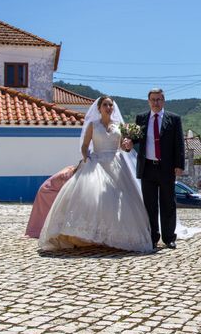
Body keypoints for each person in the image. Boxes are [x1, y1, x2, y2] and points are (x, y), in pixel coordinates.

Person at [38, 96, 152, 252]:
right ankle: (90, 234)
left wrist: (126, 145)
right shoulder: (93, 125)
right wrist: (86, 157)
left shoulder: (119, 126)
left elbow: (122, 147)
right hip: (96, 163)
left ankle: (113, 235)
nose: (108, 107)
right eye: (105, 105)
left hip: (116, 164)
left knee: (118, 201)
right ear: (99, 108)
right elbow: (85, 146)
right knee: (94, 198)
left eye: (110, 105)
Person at [125, 88, 184, 250]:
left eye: (158, 99)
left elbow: (179, 143)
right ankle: (152, 237)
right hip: (147, 168)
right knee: (149, 206)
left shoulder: (174, 119)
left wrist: (179, 165)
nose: (156, 103)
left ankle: (169, 238)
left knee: (168, 204)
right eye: (153, 99)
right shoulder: (141, 118)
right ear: (148, 101)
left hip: (167, 168)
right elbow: (134, 138)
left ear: (163, 100)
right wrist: (129, 143)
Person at [25, 162, 79, 238]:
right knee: (52, 212)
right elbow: (67, 191)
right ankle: (45, 231)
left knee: (43, 214)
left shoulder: (71, 170)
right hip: (49, 191)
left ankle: (43, 230)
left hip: (49, 189)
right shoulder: (67, 175)